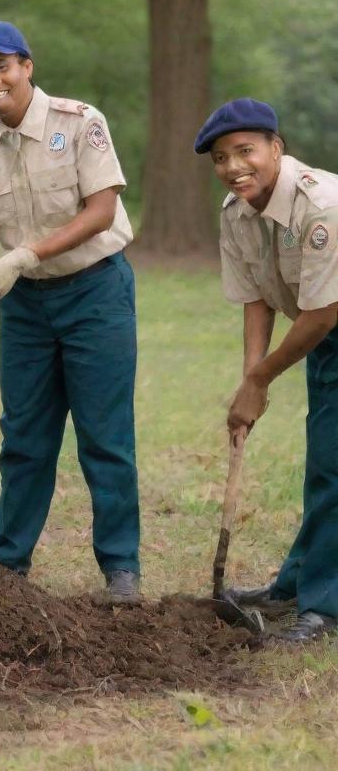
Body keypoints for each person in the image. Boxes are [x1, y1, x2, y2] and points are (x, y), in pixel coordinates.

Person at [0, 21, 141, 602]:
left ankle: (120, 567)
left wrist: (27, 252)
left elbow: (102, 210)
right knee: (24, 434)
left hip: (95, 292)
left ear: (27, 65)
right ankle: (6, 563)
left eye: (1, 66)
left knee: (104, 434)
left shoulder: (80, 123)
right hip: (25, 303)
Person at [194, 98, 338, 643]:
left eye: (246, 151)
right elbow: (257, 297)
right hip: (323, 334)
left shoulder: (320, 205)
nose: (233, 167)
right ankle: (295, 586)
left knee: (336, 466)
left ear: (277, 148)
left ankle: (324, 607)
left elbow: (324, 310)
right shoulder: (237, 211)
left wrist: (260, 381)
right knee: (325, 463)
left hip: (327, 320)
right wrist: (248, 381)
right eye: (221, 158)